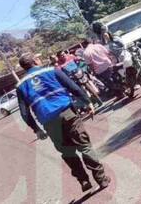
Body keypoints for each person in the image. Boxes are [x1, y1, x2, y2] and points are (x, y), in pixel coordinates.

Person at [16, 53, 110, 192]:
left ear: (24, 68)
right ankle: (101, 179)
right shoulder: (51, 70)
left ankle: (83, 180)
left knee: (67, 151)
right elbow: (74, 87)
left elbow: (25, 113)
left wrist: (37, 129)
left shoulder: (20, 86)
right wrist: (87, 101)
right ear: (36, 61)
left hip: (48, 121)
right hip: (67, 113)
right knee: (84, 146)